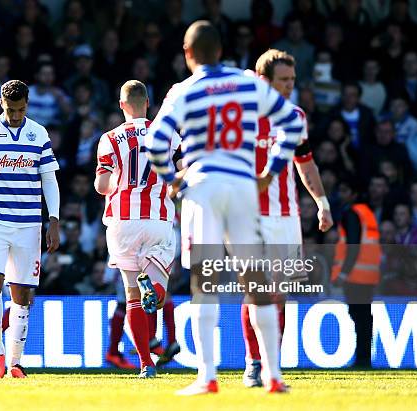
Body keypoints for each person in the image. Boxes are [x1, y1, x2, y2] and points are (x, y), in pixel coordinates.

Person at [145, 21, 304, 395]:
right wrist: (271, 171)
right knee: (256, 278)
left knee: (205, 281)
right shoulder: (248, 82)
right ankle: (274, 376)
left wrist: (172, 179)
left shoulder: (184, 91)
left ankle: (208, 377)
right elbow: (292, 125)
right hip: (245, 185)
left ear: (188, 54)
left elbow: (155, 143)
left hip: (204, 185)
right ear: (221, 50)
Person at [241, 49, 333, 388]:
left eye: (293, 80)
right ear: (265, 80)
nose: (289, 86)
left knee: (280, 295)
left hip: (286, 216)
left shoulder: (295, 116)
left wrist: (321, 202)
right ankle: (254, 364)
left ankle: (271, 366)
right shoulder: (240, 116)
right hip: (247, 216)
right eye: (283, 80)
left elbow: (305, 163)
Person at [0, 80, 60, 378]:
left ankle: (15, 361)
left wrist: (52, 219)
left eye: (20, 109)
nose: (15, 115)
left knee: (22, 294)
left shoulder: (38, 133)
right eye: (10, 109)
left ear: (27, 104)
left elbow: (49, 180)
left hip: (29, 223)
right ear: (0, 103)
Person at [94, 80, 180, 378]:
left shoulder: (110, 138)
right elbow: (181, 175)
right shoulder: (168, 135)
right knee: (158, 294)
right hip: (157, 219)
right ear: (148, 103)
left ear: (122, 105)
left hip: (121, 221)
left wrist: (116, 182)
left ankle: (145, 365)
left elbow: (102, 185)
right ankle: (153, 288)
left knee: (131, 296)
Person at [331, 180, 381, 368]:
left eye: (344, 190)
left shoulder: (351, 213)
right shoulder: (367, 213)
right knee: (364, 317)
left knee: (359, 316)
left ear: (353, 194)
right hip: (368, 274)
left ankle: (362, 359)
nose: (341, 194)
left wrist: (343, 274)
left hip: (355, 275)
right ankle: (364, 358)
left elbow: (353, 244)